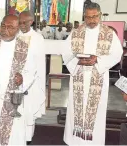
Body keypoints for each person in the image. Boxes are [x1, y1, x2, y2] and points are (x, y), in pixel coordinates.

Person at [62, 2, 123, 145]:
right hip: (79, 76)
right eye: (88, 17)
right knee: (75, 109)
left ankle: (93, 142)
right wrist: (77, 61)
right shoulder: (76, 32)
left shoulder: (108, 33)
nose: (91, 20)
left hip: (98, 78)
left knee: (96, 112)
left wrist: (98, 60)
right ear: (84, 16)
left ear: (100, 15)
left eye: (95, 17)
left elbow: (117, 53)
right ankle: (75, 141)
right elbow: (65, 52)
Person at [0, 14, 38, 145]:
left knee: (12, 136)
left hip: (12, 99)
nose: (6, 30)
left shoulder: (24, 47)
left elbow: (31, 71)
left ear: (18, 29)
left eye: (10, 27)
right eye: (3, 26)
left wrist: (23, 79)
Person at [19, 11, 46, 144]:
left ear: (31, 22)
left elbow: (40, 62)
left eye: (25, 22)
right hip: (15, 79)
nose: (22, 25)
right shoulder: (15, 35)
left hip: (31, 80)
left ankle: (28, 139)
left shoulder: (37, 38)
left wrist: (35, 79)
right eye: (20, 22)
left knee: (28, 110)